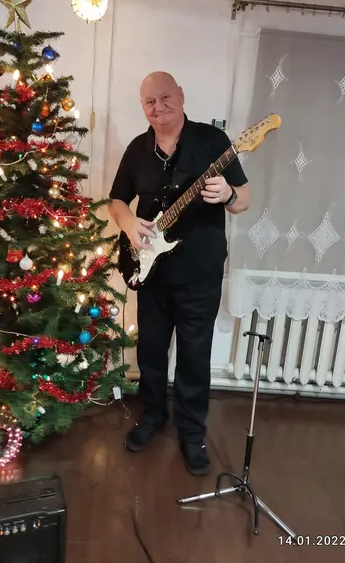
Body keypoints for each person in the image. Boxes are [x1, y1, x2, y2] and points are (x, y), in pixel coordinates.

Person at [108, 72, 250, 476]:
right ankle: (153, 416)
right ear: (143, 107)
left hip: (199, 272)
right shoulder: (138, 149)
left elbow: (244, 198)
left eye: (166, 97)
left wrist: (229, 195)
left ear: (182, 96)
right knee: (151, 351)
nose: (159, 106)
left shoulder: (213, 142)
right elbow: (117, 200)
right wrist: (128, 224)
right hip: (151, 271)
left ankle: (191, 433)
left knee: (194, 356)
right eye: (150, 101)